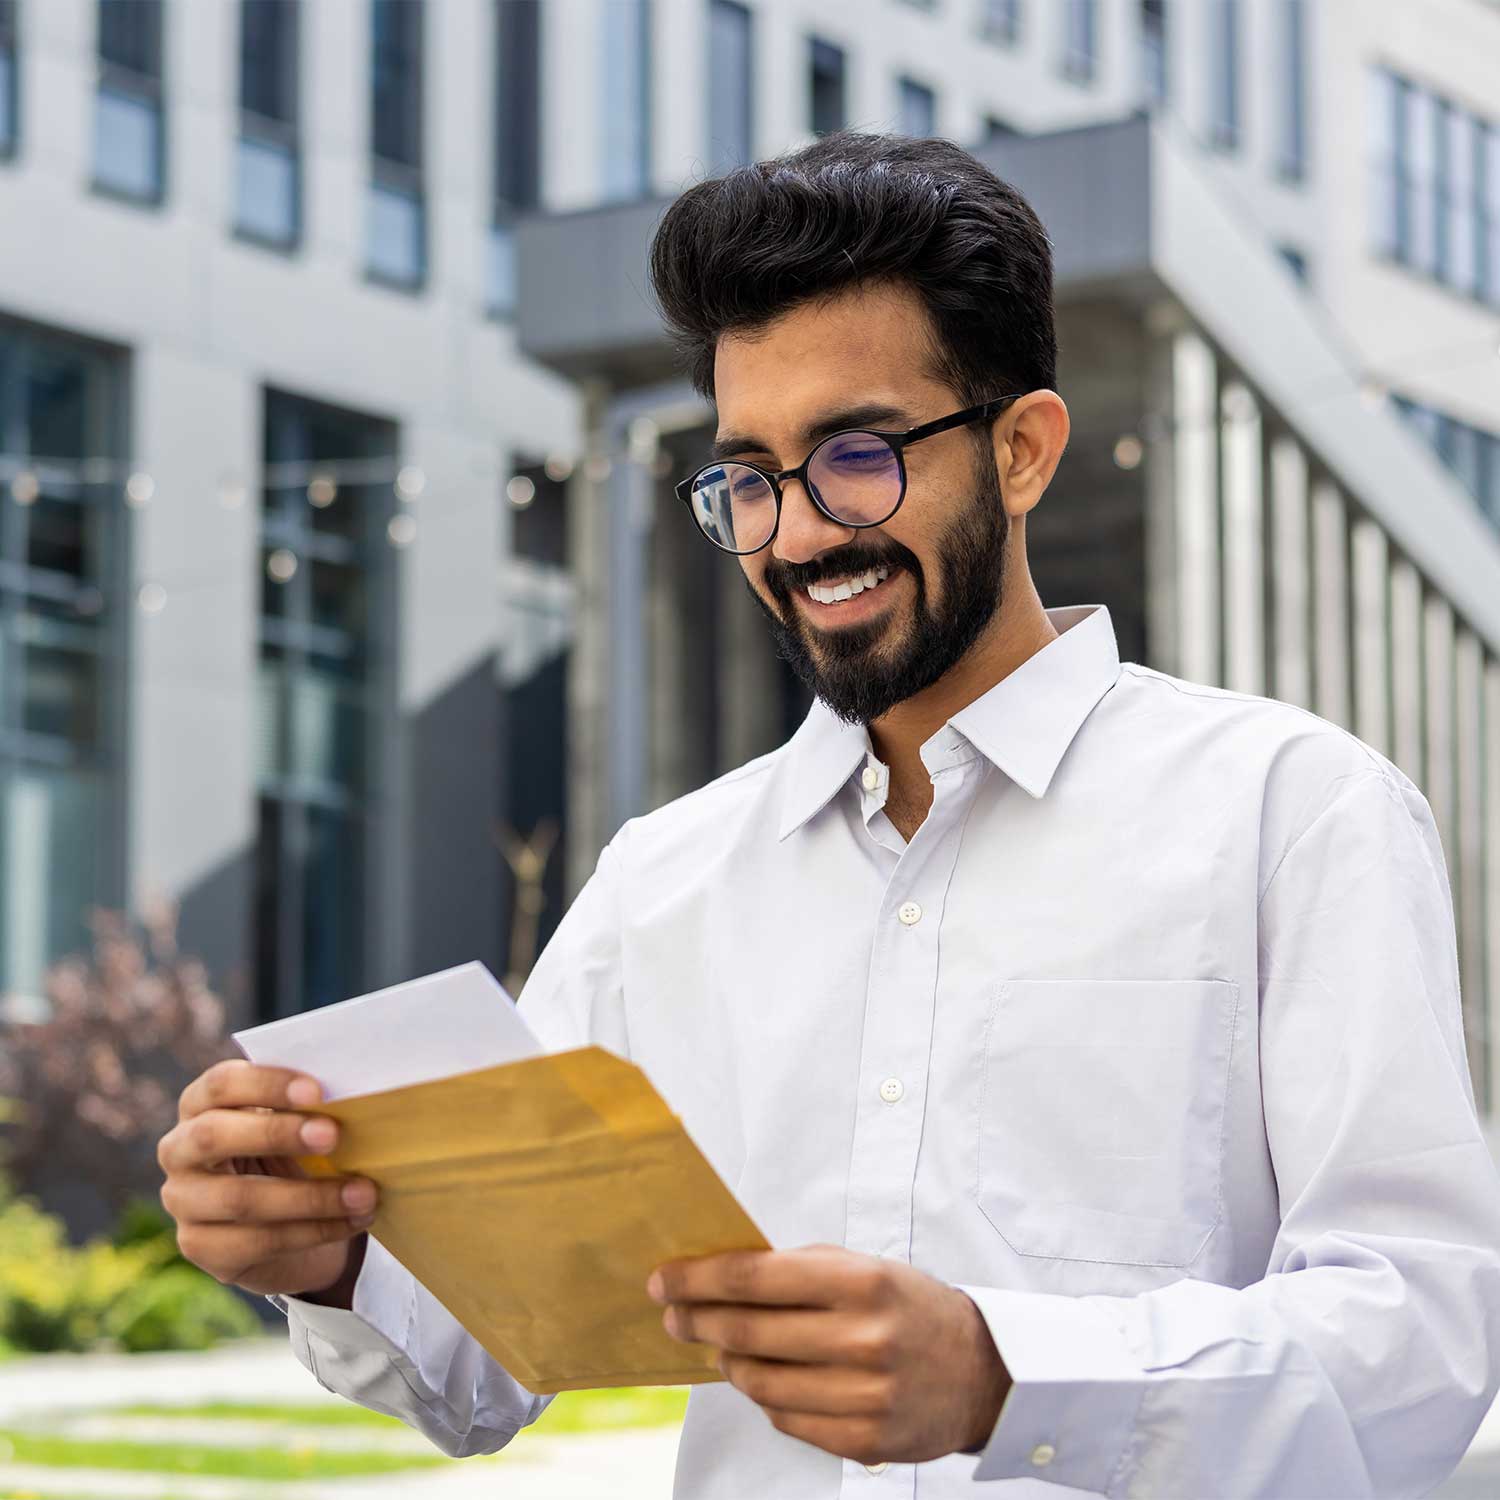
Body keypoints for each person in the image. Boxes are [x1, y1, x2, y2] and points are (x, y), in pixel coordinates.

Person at [156, 132, 1500, 1497]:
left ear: (1024, 450)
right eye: (748, 477)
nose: (796, 535)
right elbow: (481, 1362)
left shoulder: (1291, 810)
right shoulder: (663, 883)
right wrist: (326, 1253)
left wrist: (1002, 1375)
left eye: (856, 455)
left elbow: (1420, 1340)